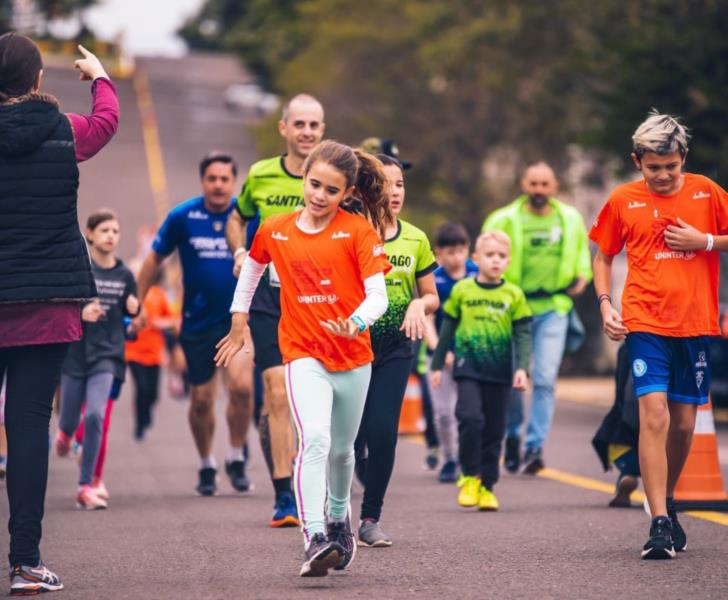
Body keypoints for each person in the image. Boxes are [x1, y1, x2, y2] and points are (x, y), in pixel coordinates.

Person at [216, 140, 392, 577]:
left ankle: (338, 520)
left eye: (331, 191)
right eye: (314, 184)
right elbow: (252, 271)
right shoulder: (275, 229)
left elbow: (378, 296)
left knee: (343, 451)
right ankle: (314, 536)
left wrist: (355, 321)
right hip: (302, 352)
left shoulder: (356, 231)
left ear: (347, 193)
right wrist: (239, 319)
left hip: (353, 356)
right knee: (313, 438)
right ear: (304, 177)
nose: (319, 196)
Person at [0, 33, 118, 594]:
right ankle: (24, 563)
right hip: (45, 302)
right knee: (27, 427)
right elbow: (107, 122)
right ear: (39, 81)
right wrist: (98, 75)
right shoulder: (63, 129)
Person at [590, 111, 728, 559]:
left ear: (683, 157)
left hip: (695, 325)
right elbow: (603, 255)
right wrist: (606, 305)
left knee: (684, 425)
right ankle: (659, 522)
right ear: (637, 162)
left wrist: (705, 242)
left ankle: (665, 496)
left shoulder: (707, 191)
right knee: (654, 416)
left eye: (671, 166)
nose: (664, 175)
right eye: (653, 168)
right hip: (644, 322)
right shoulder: (622, 199)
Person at [225, 94, 325, 527]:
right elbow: (236, 218)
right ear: (283, 128)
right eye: (298, 124)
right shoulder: (262, 174)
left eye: (314, 125)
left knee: (319, 400)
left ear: (323, 130)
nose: (306, 132)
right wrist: (241, 249)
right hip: (270, 298)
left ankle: (320, 480)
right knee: (278, 392)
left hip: (320, 299)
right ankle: (285, 497)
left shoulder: (334, 176)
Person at [136, 153, 253, 496]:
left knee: (243, 388)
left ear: (233, 183)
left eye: (224, 179)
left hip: (238, 321)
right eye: (211, 179)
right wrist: (137, 303)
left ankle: (235, 456)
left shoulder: (247, 216)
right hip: (197, 322)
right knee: (201, 399)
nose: (218, 185)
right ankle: (206, 463)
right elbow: (153, 260)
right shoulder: (183, 216)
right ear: (203, 181)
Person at [482, 162, 592, 474]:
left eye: (545, 184)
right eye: (534, 184)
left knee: (544, 378)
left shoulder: (570, 218)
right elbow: (483, 256)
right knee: (515, 379)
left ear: (554, 186)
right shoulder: (503, 219)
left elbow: (583, 253)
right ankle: (513, 435)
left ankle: (534, 446)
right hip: (513, 308)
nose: (539, 190)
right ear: (523, 184)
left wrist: (583, 275)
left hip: (554, 307)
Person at [354, 154, 439, 547]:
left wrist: (419, 305)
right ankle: (350, 483)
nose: (395, 191)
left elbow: (431, 295)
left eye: (401, 183)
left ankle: (370, 517)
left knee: (383, 431)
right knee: (352, 438)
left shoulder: (416, 239)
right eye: (386, 184)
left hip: (395, 348)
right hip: (351, 348)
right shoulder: (351, 233)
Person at [431, 230, 531, 510]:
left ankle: (487, 486)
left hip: (500, 372)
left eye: (501, 256)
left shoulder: (513, 294)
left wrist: (522, 368)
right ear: (476, 258)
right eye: (490, 255)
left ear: (508, 261)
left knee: (495, 430)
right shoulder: (463, 290)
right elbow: (447, 329)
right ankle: (469, 476)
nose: (495, 261)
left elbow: (523, 334)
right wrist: (437, 365)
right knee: (470, 418)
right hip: (467, 369)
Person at [55, 210, 138, 509]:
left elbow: (133, 313)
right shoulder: (79, 271)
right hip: (75, 356)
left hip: (108, 356)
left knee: (95, 416)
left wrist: (134, 308)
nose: (110, 236)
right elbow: (60, 307)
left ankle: (85, 485)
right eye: (104, 230)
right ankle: (64, 433)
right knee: (68, 418)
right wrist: (81, 313)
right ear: (89, 235)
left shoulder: (125, 274)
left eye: (115, 231)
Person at [425, 222, 479, 483]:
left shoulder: (477, 274)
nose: (456, 257)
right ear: (438, 253)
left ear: (467, 250)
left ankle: (471, 458)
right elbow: (427, 318)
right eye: (450, 252)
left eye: (461, 251)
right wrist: (439, 350)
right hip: (439, 355)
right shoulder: (434, 279)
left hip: (471, 354)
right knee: (444, 412)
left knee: (469, 410)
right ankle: (449, 458)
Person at [126, 271, 177, 441]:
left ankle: (146, 412)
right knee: (142, 387)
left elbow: (172, 320)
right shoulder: (130, 295)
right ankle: (140, 424)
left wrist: (156, 322)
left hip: (154, 352)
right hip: (133, 351)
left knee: (153, 393)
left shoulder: (158, 294)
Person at [592, 343, 641, 508]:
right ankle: (664, 493)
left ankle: (626, 475)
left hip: (622, 444)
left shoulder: (627, 348)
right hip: (664, 447)